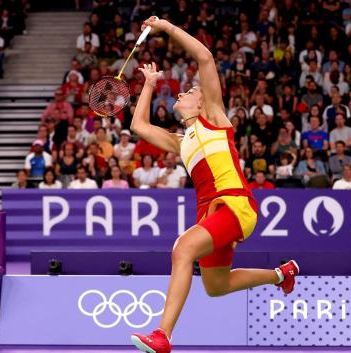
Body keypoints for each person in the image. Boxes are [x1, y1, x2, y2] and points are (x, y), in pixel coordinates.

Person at [128, 17, 299, 353]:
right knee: (216, 286)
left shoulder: (216, 119)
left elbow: (204, 57)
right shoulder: (182, 141)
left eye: (191, 91)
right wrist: (149, 83)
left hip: (234, 205)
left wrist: (166, 27)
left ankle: (163, 335)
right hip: (212, 216)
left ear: (203, 102)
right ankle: (282, 274)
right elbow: (140, 126)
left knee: (183, 249)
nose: (184, 91)